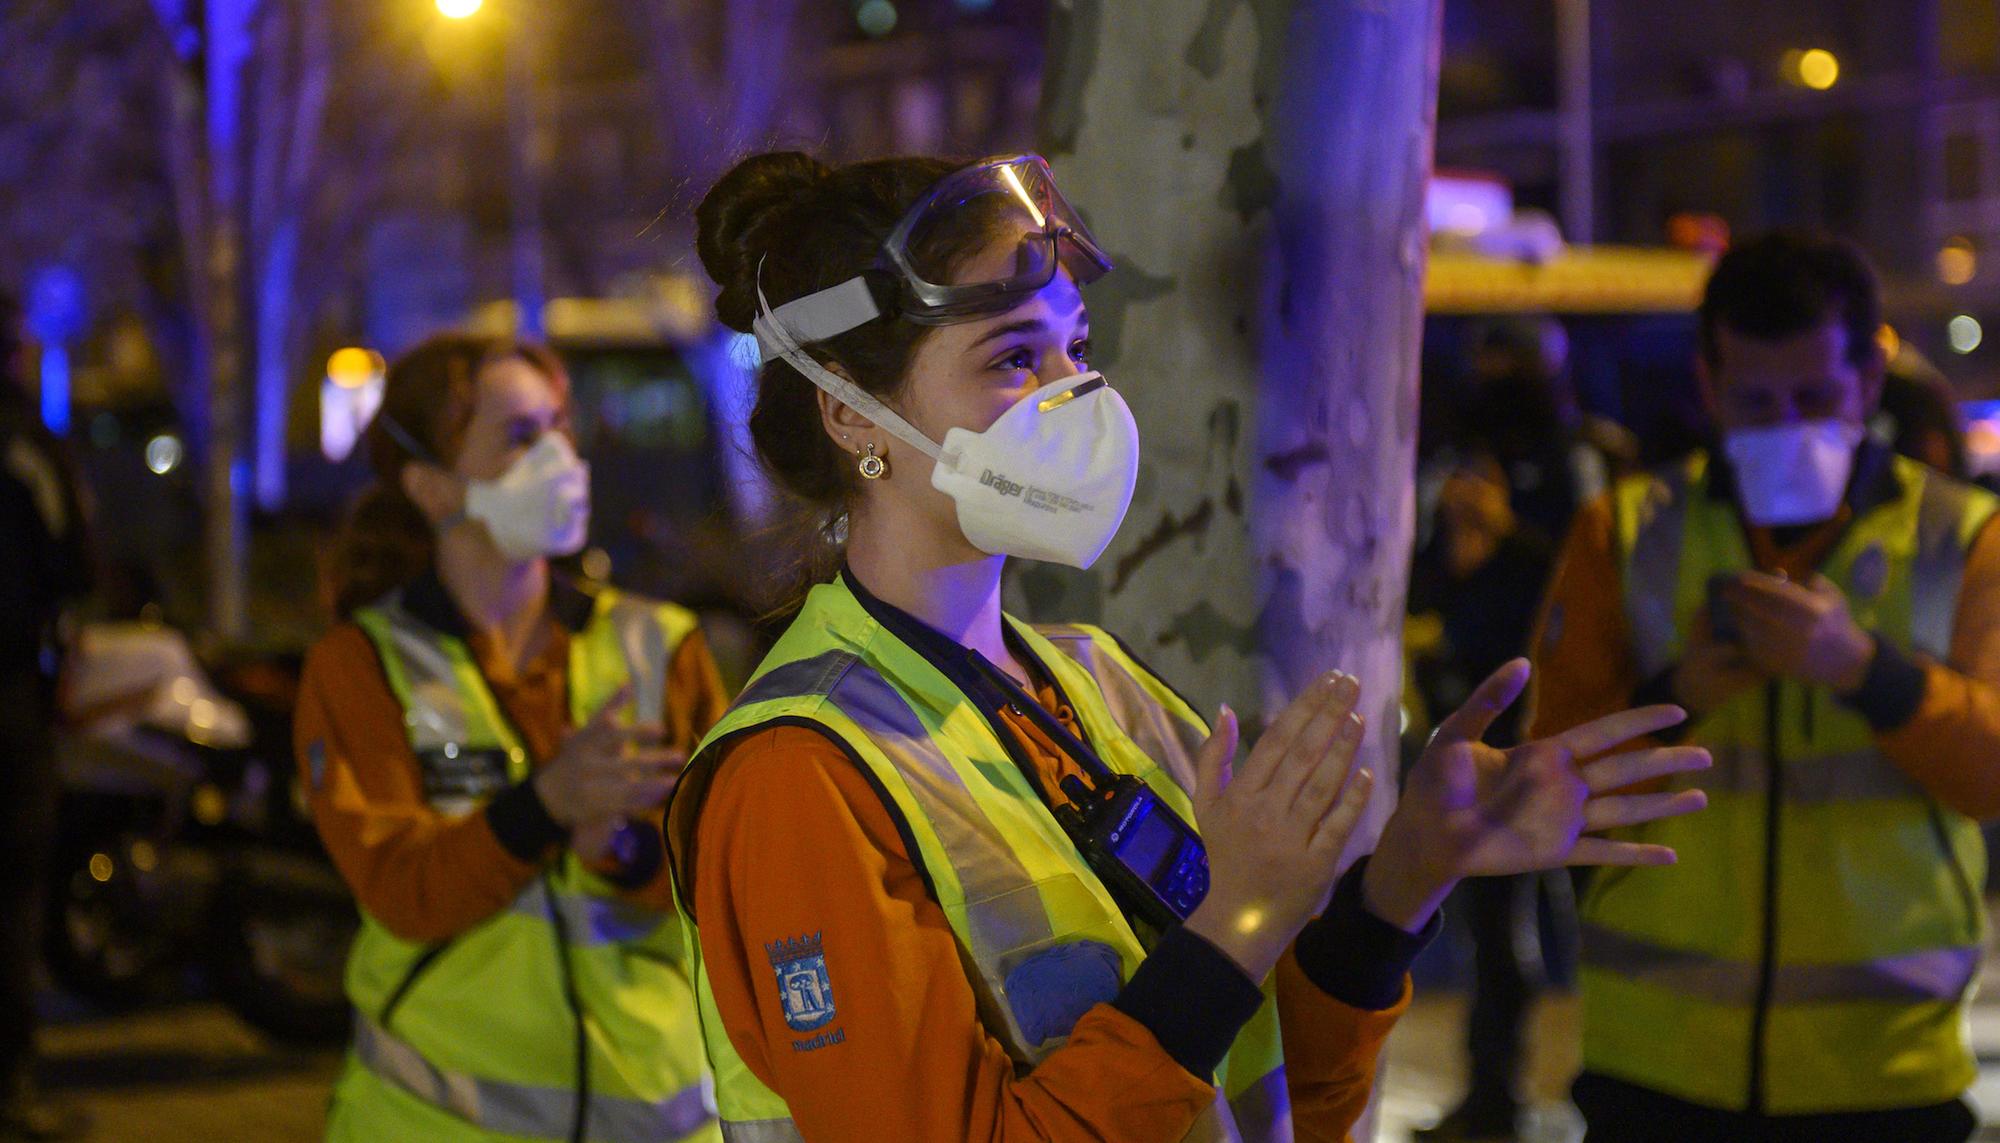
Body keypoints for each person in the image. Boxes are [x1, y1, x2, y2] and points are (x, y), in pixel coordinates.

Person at [662, 150, 1712, 1143]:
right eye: (1012, 358)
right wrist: (1239, 915)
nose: (1075, 394)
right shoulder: (796, 777)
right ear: (850, 414)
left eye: (1075, 346)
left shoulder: (1094, 685)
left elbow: (1271, 1092)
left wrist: (1402, 881)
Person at [1530, 230, 2000, 1143]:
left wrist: (1868, 672)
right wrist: (1678, 692)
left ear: (1869, 380)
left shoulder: (1964, 539)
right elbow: (1546, 791)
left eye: (1816, 397)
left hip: (1886, 1077)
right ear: (1709, 388)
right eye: (1756, 402)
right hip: (1658, 1073)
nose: (1788, 425)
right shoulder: (1624, 531)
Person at [295, 333, 729, 1142]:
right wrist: (545, 807)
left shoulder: (659, 644)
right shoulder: (361, 666)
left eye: (561, 426)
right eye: (522, 436)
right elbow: (401, 888)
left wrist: (626, 853)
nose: (560, 455)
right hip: (434, 1121)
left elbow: (726, 882)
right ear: (430, 486)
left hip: (658, 1119)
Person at [0, 291, 91, 1142]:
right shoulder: (25, 445)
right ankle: (9, 1087)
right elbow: (73, 564)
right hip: (8, 699)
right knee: (13, 888)